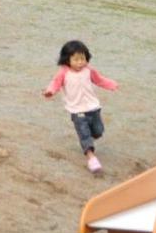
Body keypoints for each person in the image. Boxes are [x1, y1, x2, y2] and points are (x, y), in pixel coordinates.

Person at [43, 39, 120, 173]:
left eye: (82, 59)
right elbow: (55, 83)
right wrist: (50, 91)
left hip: (93, 108)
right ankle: (91, 158)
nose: (80, 63)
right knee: (85, 135)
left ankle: (87, 141)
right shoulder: (63, 73)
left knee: (98, 131)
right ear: (67, 59)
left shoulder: (89, 70)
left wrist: (111, 85)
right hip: (77, 111)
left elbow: (99, 80)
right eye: (76, 59)